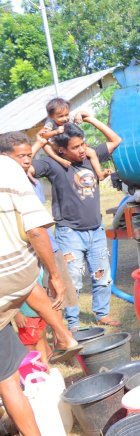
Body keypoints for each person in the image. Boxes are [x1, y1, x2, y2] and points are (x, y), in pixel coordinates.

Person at [0, 154, 64, 436]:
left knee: (8, 381)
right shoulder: (8, 169)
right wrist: (53, 274)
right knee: (9, 381)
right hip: (18, 279)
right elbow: (35, 228)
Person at [32, 114, 123, 331]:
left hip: (96, 230)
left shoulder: (90, 159)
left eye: (82, 144)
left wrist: (91, 120)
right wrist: (39, 143)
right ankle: (72, 323)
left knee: (102, 275)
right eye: (75, 147)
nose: (81, 149)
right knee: (72, 280)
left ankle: (102, 314)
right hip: (69, 233)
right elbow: (26, 167)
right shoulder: (54, 165)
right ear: (62, 150)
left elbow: (115, 140)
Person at [0, 132, 80, 363]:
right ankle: (63, 336)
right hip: (22, 264)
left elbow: (36, 230)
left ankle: (56, 342)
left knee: (8, 374)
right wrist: (54, 275)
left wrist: (54, 274)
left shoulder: (17, 172)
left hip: (22, 260)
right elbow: (36, 229)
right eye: (22, 156)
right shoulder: (13, 173)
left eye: (29, 155)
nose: (27, 160)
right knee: (28, 286)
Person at [40, 99, 110, 181]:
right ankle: (60, 159)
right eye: (60, 116)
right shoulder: (50, 122)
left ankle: (100, 174)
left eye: (66, 115)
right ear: (52, 116)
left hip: (72, 147)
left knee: (92, 152)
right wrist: (56, 131)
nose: (65, 118)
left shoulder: (70, 118)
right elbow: (44, 135)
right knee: (44, 143)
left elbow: (87, 114)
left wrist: (79, 114)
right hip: (58, 149)